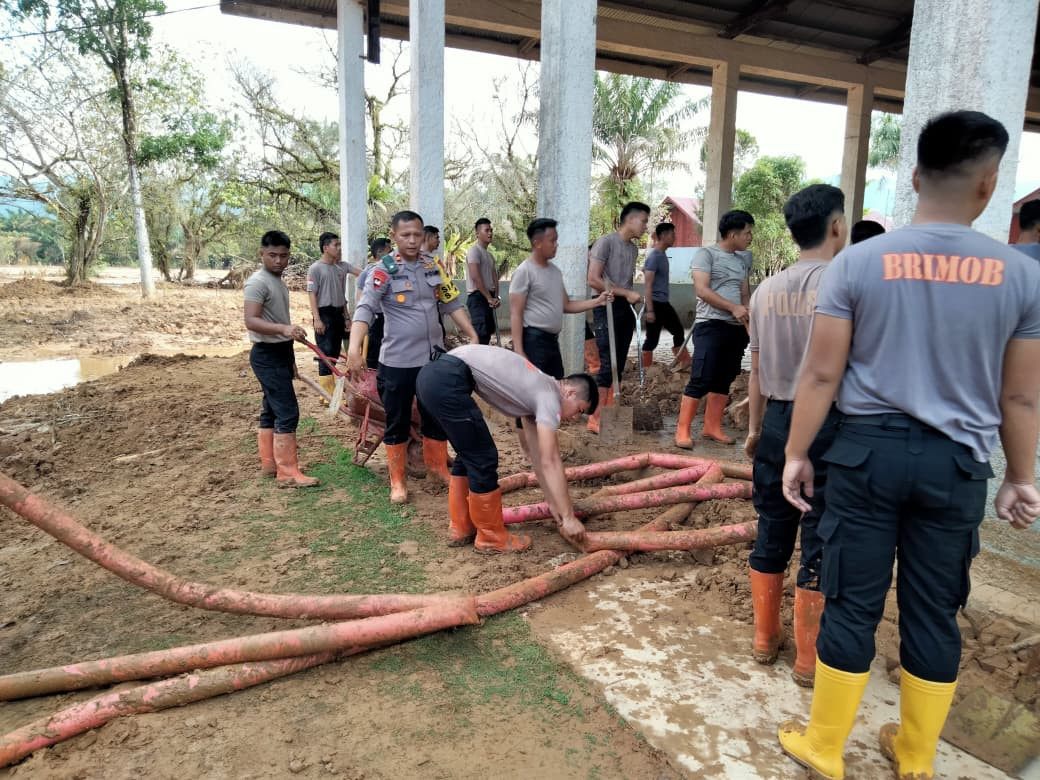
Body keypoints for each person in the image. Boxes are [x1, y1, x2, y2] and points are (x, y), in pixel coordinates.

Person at [778, 111, 1040, 780]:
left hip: (866, 457)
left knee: (853, 601)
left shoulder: (858, 264)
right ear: (988, 184)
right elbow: (1020, 398)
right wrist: (1019, 477)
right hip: (956, 468)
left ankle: (827, 748)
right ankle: (917, 758)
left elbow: (820, 373)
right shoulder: (1021, 276)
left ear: (915, 175)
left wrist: (796, 453)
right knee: (934, 610)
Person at [744, 184, 847, 689]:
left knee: (773, 524)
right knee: (822, 533)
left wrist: (755, 429)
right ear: (836, 226)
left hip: (779, 419)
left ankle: (765, 639)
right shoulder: (843, 282)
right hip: (830, 424)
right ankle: (809, 659)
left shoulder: (765, 291)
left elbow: (756, 370)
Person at [346, 210, 479, 504]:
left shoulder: (433, 265)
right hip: (397, 362)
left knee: (435, 415)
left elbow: (450, 302)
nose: (412, 240)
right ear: (393, 236)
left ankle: (436, 470)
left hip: (432, 360)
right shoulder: (382, 271)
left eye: (417, 235)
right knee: (398, 419)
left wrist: (472, 334)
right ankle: (398, 481)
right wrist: (354, 348)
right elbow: (365, 309)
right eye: (405, 235)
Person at [416, 344, 598, 552]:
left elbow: (538, 458)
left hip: (432, 375)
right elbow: (551, 460)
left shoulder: (538, 389)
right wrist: (568, 517)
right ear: (570, 392)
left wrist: (553, 503)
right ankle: (490, 538)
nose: (574, 417)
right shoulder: (549, 396)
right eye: (579, 410)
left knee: (470, 453)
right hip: (446, 378)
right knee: (483, 456)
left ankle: (461, 527)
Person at [244, 230, 319, 488]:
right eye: (272, 255)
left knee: (271, 409)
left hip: (279, 352)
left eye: (284, 256)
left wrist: (290, 360)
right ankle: (287, 473)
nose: (278, 261)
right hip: (266, 354)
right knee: (287, 412)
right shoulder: (258, 282)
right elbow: (251, 320)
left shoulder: (277, 280)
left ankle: (270, 464)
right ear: (261, 254)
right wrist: (284, 329)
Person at [675, 209, 754, 448]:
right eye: (747, 233)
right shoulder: (705, 255)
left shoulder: (743, 260)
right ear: (732, 234)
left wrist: (748, 317)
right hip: (711, 326)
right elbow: (702, 289)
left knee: (724, 379)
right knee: (702, 377)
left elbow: (744, 293)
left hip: (736, 328)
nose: (750, 237)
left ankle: (712, 427)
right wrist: (733, 308)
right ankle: (682, 432)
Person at [510, 218, 610, 379]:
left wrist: (597, 301)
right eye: (552, 240)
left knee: (556, 387)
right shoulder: (524, 272)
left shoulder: (555, 272)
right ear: (537, 243)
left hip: (552, 342)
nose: (556, 244)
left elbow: (567, 305)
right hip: (533, 342)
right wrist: (519, 351)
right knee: (536, 390)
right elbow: (516, 314)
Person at [586, 201, 649, 433]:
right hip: (606, 305)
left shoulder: (632, 249)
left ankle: (611, 415)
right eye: (643, 220)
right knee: (606, 363)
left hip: (623, 307)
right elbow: (593, 279)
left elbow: (625, 283)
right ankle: (595, 417)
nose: (645, 226)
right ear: (630, 219)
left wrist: (630, 296)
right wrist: (626, 293)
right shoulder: (605, 243)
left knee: (618, 364)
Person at [306, 232, 356, 398]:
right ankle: (326, 394)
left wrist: (346, 317)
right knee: (325, 354)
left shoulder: (339, 267)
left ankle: (332, 390)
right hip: (324, 314)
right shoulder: (315, 268)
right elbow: (312, 294)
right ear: (325, 247)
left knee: (334, 353)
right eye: (336, 245)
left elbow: (342, 296)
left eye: (339, 244)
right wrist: (317, 319)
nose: (339, 248)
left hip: (338, 313)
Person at [641, 222, 690, 369]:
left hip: (663, 303)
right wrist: (649, 310)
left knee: (678, 330)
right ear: (662, 236)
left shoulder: (662, 255)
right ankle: (645, 368)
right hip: (655, 304)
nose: (674, 237)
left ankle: (684, 362)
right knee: (652, 339)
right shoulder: (654, 257)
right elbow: (648, 285)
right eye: (672, 234)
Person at [358, 237, 391, 370]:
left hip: (388, 318)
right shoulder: (369, 271)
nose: (393, 254)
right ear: (380, 252)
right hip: (375, 319)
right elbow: (361, 300)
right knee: (373, 353)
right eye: (390, 250)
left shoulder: (392, 270)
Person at [466, 218, 500, 345]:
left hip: (488, 298)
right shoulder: (474, 251)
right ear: (478, 233)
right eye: (487, 230)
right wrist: (488, 297)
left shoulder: (489, 255)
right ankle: (472, 363)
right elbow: (476, 277)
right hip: (478, 298)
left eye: (491, 230)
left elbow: (494, 277)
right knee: (480, 334)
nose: (490, 233)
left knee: (487, 333)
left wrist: (495, 297)